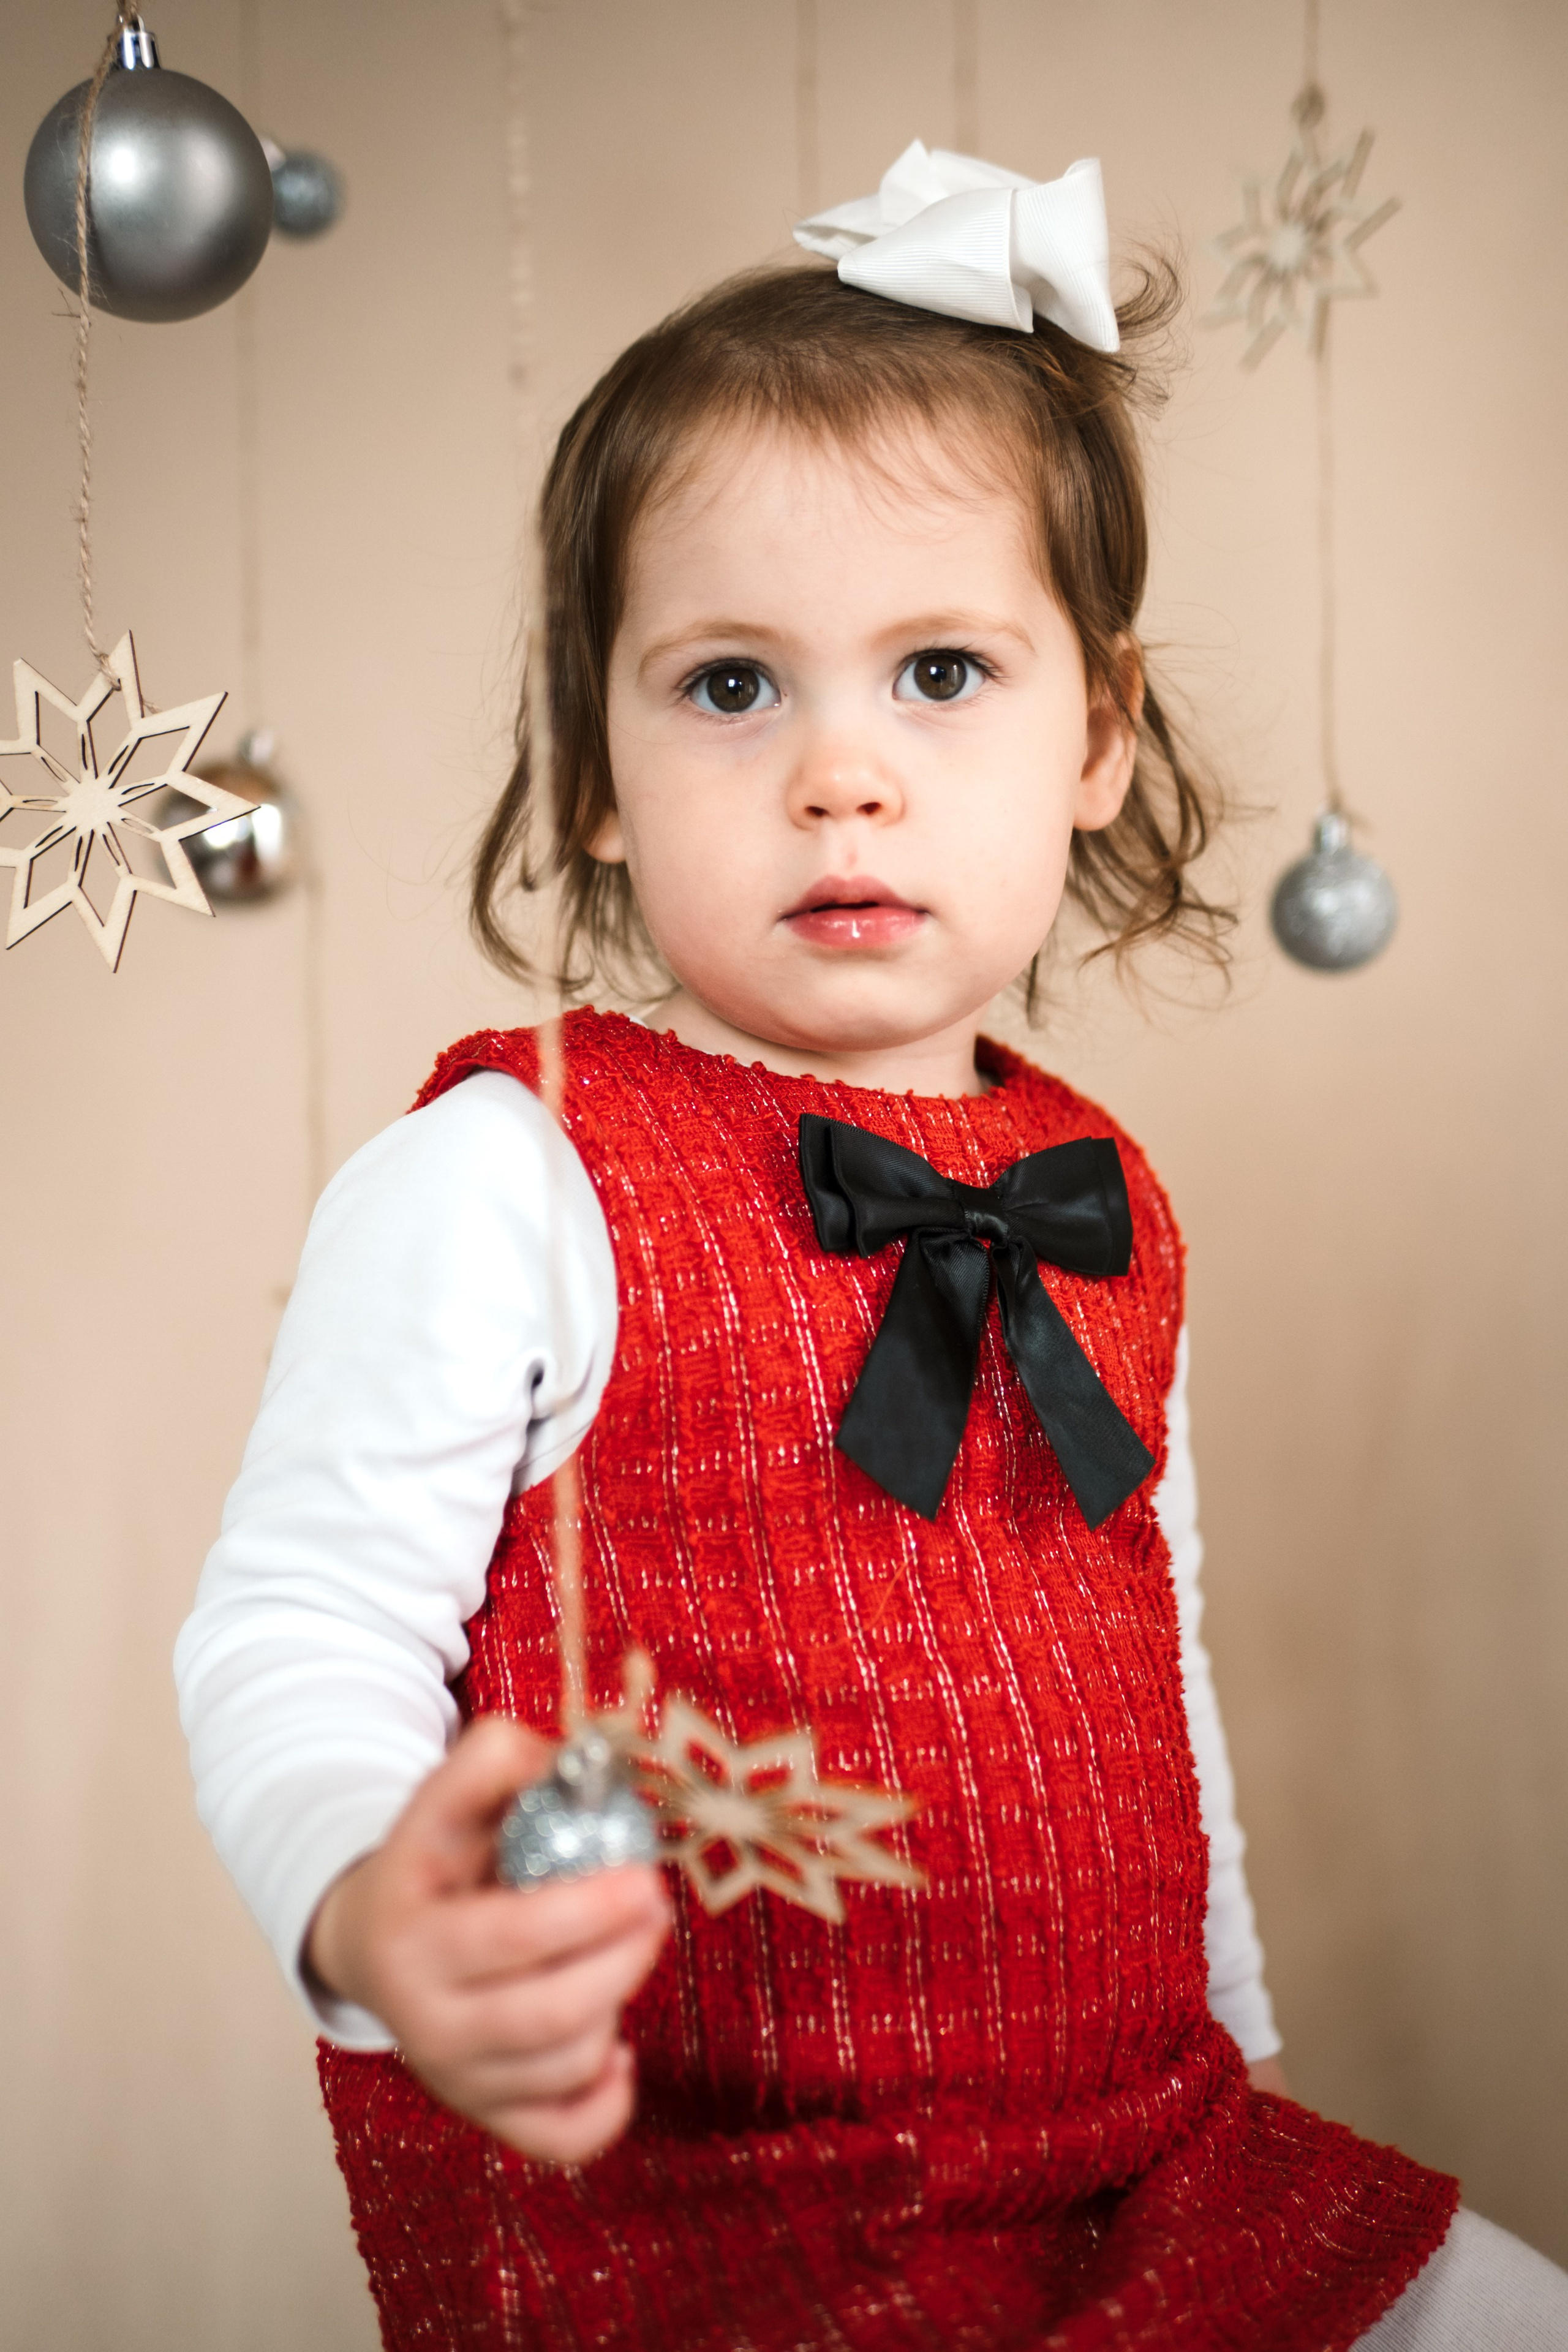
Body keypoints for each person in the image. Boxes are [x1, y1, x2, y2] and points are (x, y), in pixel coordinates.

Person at [176, 145, 1568, 2350]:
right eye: (732, 686)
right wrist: (365, 1902)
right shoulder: (507, 1174)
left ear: (1095, 731)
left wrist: (1237, 2030)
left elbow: (1148, 1648)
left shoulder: (1102, 1187)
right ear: (598, 765)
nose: (842, 770)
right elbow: (295, 1619)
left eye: (940, 671)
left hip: (1150, 2155)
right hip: (720, 2232)